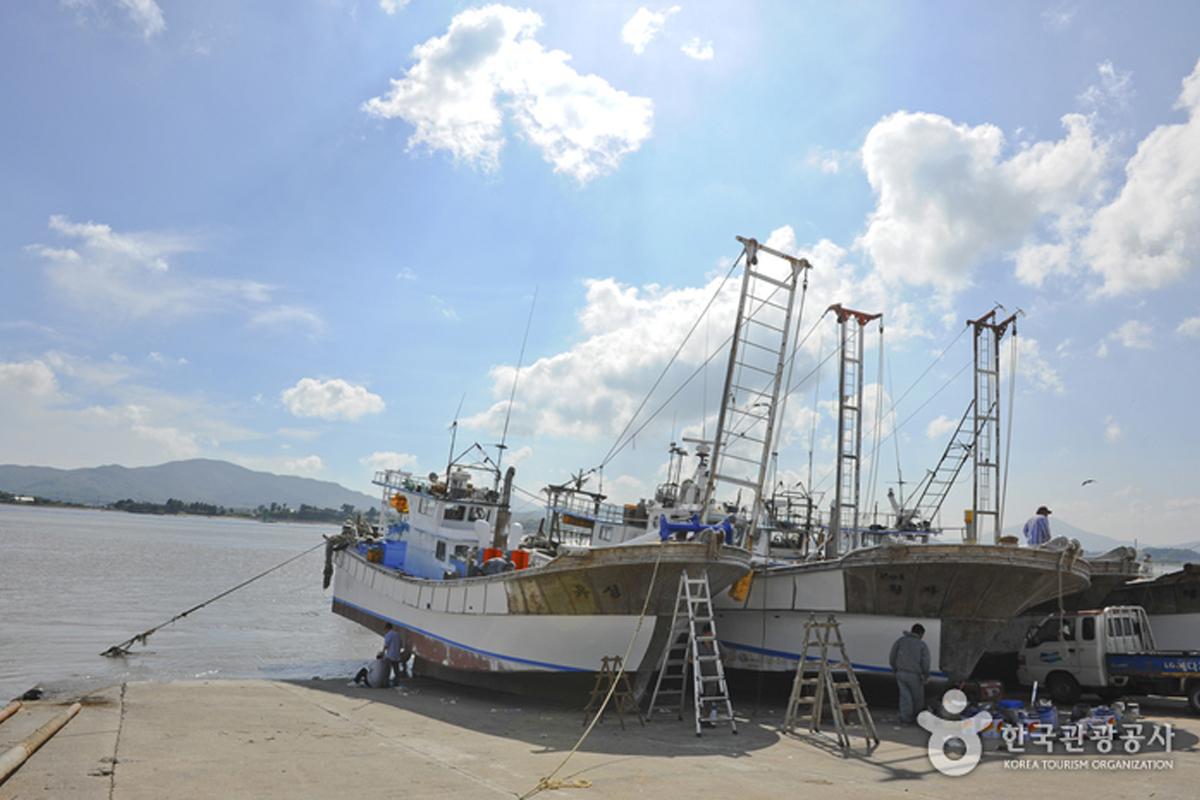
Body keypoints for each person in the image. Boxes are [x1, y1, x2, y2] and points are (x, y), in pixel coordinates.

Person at [889, 623, 931, 725]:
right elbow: (926, 661)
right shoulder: (922, 645)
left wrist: (895, 668)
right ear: (921, 633)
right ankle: (917, 718)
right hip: (914, 675)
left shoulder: (901, 641)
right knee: (917, 698)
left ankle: (905, 718)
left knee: (905, 696)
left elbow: (892, 656)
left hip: (901, 673)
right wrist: (926, 674)